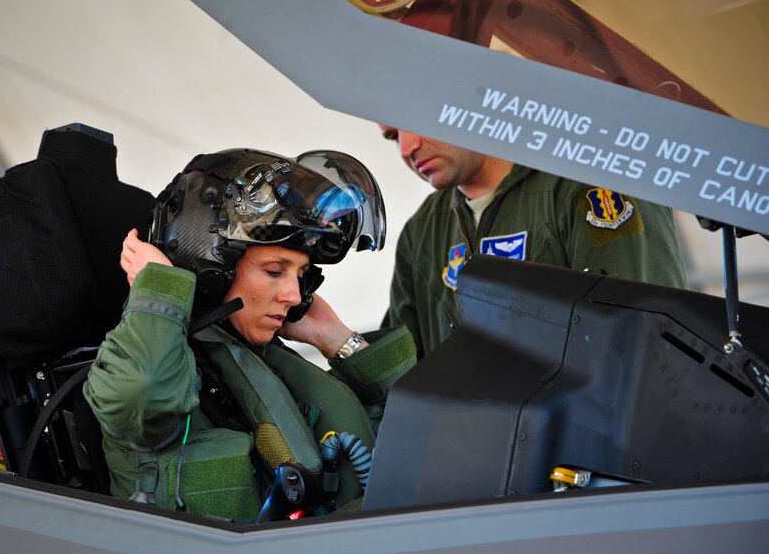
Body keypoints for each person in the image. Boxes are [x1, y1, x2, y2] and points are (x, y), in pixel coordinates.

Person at [83, 148, 416, 523]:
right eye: (276, 271)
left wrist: (334, 338)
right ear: (213, 268)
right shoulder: (145, 367)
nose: (293, 295)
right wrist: (160, 291)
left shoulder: (268, 363)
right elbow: (143, 395)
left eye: (301, 276)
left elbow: (415, 444)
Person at [378, 126, 688, 358]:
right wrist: (336, 338)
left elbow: (646, 345)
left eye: (415, 120)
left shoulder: (590, 183)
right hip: (469, 442)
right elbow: (402, 375)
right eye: (392, 136)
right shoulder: (421, 230)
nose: (407, 148)